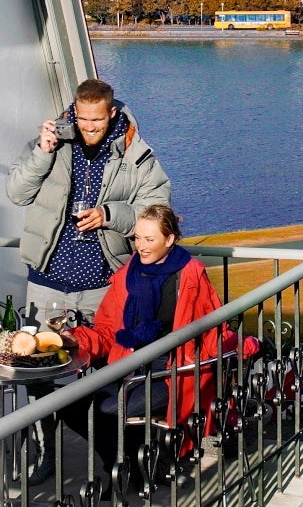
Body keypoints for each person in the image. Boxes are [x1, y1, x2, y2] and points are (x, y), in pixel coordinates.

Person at [60, 205, 239, 486]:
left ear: (170, 240)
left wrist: (242, 349)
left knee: (107, 410)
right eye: (137, 238)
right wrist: (74, 339)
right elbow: (108, 332)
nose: (141, 247)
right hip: (128, 366)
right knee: (68, 404)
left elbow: (214, 332)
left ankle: (129, 470)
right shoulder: (126, 276)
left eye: (149, 239)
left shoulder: (191, 277)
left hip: (172, 373)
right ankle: (130, 466)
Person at [6, 78, 170, 325]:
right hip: (45, 286)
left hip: (104, 289)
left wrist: (109, 215)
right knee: (43, 359)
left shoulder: (137, 155)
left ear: (112, 113)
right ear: (74, 110)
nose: (89, 127)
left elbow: (158, 213)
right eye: (83, 119)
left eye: (97, 120)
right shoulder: (49, 144)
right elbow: (17, 194)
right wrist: (42, 153)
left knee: (106, 364)